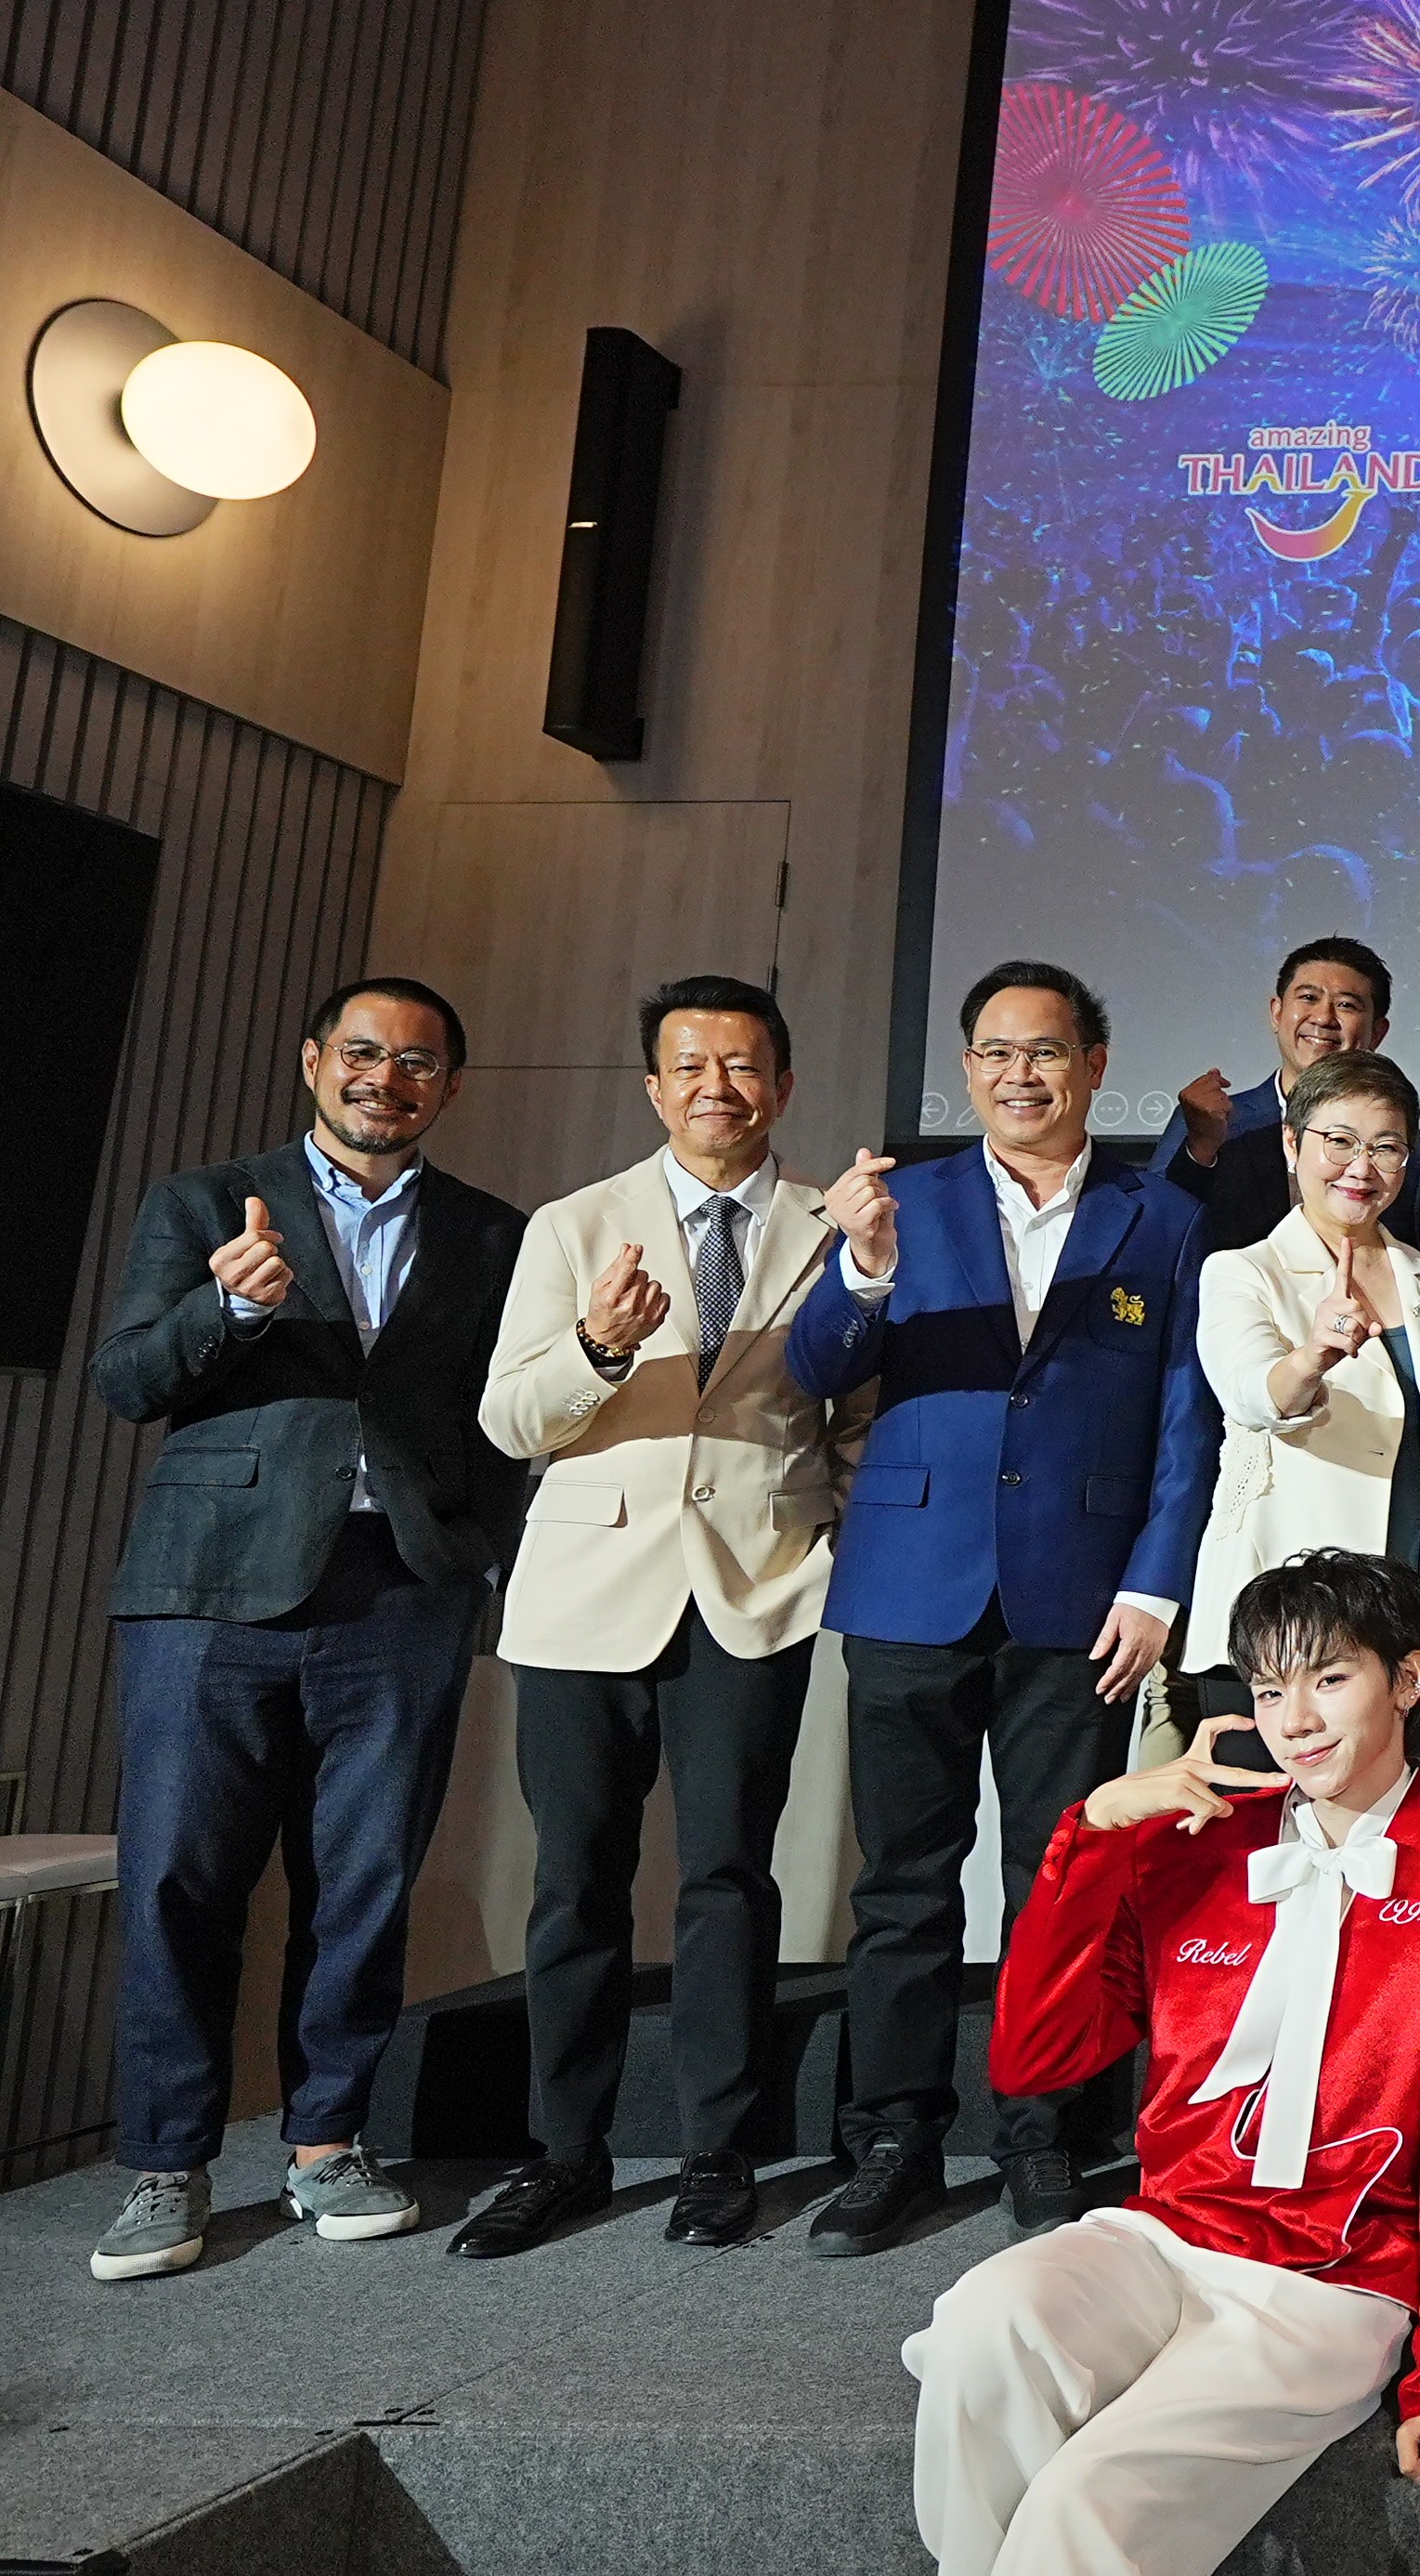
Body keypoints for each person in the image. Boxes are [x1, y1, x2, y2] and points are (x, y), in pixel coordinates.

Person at [904, 1550, 1420, 2576]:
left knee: (1088, 2497)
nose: (1294, 1721)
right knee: (979, 2325)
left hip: (1335, 2277)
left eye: (1329, 1679)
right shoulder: (1193, 1836)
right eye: (1267, 1689)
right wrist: (1093, 1835)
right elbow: (1036, 2058)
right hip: (1165, 2234)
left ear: (1408, 1678)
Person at [85, 977, 525, 2282]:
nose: (387, 1078)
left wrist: (475, 1551)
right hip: (208, 1588)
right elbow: (126, 1379)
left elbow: (500, 1419)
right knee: (179, 1878)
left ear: (450, 1086)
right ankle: (166, 2164)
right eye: (364, 1053)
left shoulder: (493, 1232)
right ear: (314, 1061)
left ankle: (327, 2141)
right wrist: (226, 1310)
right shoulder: (206, 1203)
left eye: (419, 1062)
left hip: (402, 1590)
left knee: (364, 1879)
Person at [787, 958, 1216, 2253]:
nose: (1020, 1075)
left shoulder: (1163, 1216)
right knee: (902, 1885)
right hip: (911, 1581)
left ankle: (1046, 2135)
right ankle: (892, 2139)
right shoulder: (899, 1202)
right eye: (995, 1053)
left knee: (1060, 1883)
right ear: (966, 1069)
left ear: (1094, 1066)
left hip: (1082, 1598)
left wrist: (1156, 1581)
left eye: (1046, 1052)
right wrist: (862, 1268)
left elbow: (1184, 1420)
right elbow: (816, 1366)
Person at [452, 978, 848, 2262]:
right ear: (653, 1088)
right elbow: (510, 1420)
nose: (717, 1088)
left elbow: (857, 1412)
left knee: (729, 1876)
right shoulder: (576, 1224)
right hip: (586, 1596)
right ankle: (562, 2152)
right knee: (576, 1882)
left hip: (757, 1586)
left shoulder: (831, 1227)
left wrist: (835, 1534)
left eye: (742, 1066)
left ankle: (716, 2152)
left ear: (782, 1085)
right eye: (691, 1067)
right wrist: (597, 1348)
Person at [1183, 1051, 1420, 1771]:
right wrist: (1313, 1356)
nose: (1361, 1167)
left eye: (1386, 1147)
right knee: (1269, 1832)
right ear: (1291, 1143)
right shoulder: (1242, 1272)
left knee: (1417, 1830)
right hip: (1280, 1635)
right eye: (1339, 1141)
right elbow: (1252, 1393)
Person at [1149, 936, 1420, 1262]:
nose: (1323, 1018)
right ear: (1277, 1013)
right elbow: (1153, 1233)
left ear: (1377, 1032)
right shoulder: (1209, 1120)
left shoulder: (1416, 1152)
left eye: (1347, 1005)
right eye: (1309, 998)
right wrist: (1200, 1151)